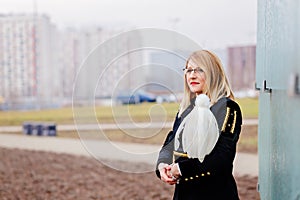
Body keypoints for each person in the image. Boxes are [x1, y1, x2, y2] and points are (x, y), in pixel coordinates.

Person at [156, 50, 242, 200]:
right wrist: (162, 165)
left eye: (199, 70)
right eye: (189, 70)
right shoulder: (185, 109)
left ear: (213, 74)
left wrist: (182, 169)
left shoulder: (227, 108)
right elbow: (172, 140)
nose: (192, 75)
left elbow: (222, 158)